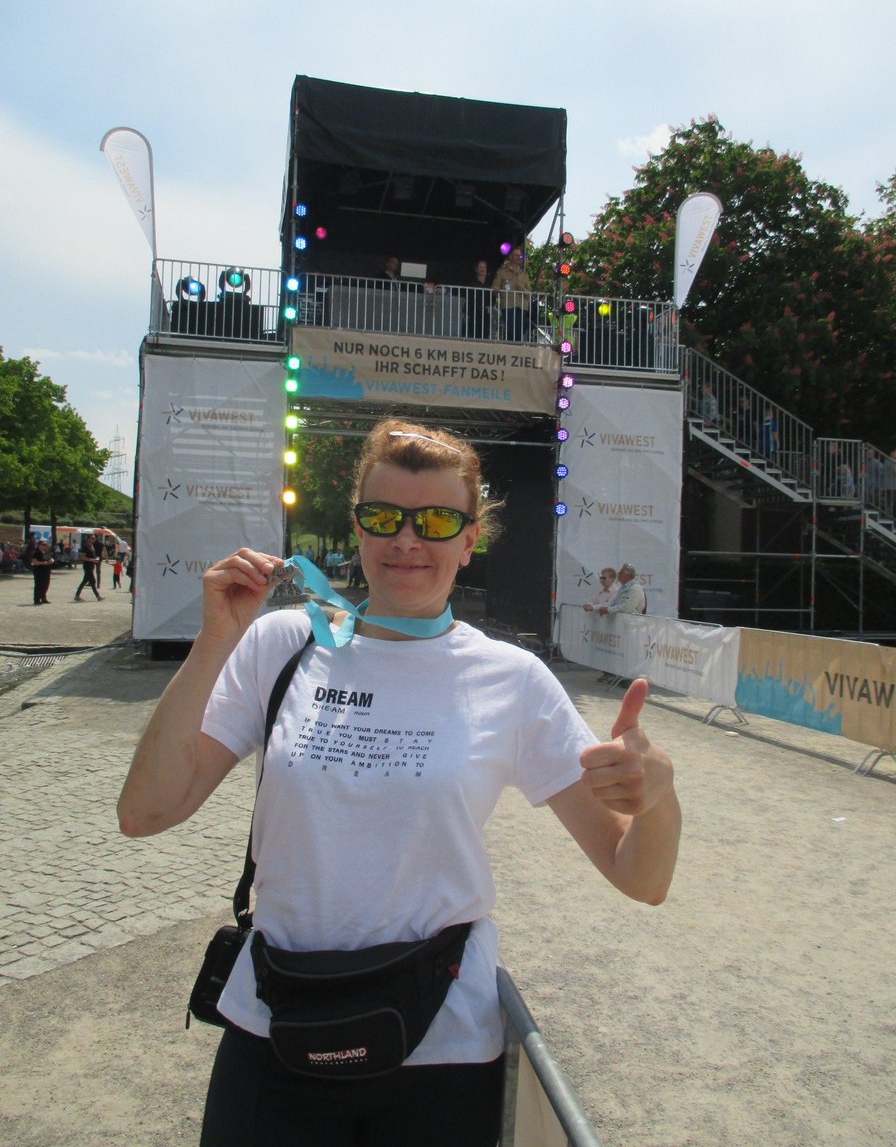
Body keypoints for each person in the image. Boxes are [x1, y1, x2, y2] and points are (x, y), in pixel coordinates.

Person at [117, 418, 681, 1147]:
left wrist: (660, 798)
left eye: (437, 520)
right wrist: (213, 642)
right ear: (357, 529)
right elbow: (146, 811)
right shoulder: (282, 644)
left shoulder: (511, 681)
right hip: (276, 1024)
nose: (406, 540)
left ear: (469, 540)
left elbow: (639, 875)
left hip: (439, 1048)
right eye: (383, 517)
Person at [491, 245, 532, 343]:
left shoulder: (524, 275)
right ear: (510, 257)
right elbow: (494, 287)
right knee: (510, 328)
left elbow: (530, 293)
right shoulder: (502, 272)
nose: (519, 258)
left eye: (520, 256)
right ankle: (509, 346)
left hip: (522, 306)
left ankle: (517, 347)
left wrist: (522, 290)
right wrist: (501, 290)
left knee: (520, 328)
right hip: (508, 305)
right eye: (516, 255)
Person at [465, 259, 493, 340]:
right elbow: (468, 299)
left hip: (486, 313)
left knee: (485, 335)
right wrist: (466, 312)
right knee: (472, 334)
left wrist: (490, 305)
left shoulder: (489, 284)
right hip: (473, 313)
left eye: (484, 267)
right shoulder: (472, 284)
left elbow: (493, 297)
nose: (482, 269)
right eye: (480, 267)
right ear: (476, 269)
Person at [74, 534, 103, 601]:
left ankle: (77, 595)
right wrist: (92, 560)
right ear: (88, 539)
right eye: (92, 538)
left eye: (94, 538)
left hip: (91, 565)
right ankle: (98, 596)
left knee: (85, 581)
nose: (94, 539)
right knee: (92, 581)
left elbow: (92, 556)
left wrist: (96, 559)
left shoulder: (92, 546)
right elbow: (82, 557)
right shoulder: (85, 547)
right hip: (87, 566)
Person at [31, 539, 53, 605]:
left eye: (45, 545)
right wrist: (44, 563)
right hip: (38, 571)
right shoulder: (36, 552)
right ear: (39, 545)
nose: (45, 546)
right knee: (38, 585)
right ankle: (36, 599)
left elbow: (50, 558)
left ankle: (43, 598)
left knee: (46, 585)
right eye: (43, 545)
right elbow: (34, 562)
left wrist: (52, 560)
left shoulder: (46, 552)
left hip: (46, 571)